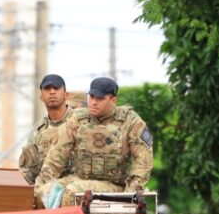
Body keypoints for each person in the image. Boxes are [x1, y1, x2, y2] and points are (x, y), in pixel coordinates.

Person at [36, 77, 153, 207]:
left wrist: (131, 196)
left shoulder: (130, 121)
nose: (94, 102)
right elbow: (56, 157)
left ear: (113, 100)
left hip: (114, 186)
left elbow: (143, 161)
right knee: (40, 193)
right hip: (80, 179)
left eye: (100, 98)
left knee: (72, 192)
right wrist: (41, 185)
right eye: (91, 97)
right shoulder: (78, 120)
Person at [19, 74, 74, 188]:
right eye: (47, 89)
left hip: (73, 187)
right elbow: (28, 170)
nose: (52, 92)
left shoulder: (79, 123)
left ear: (66, 95)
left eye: (56, 88)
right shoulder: (38, 131)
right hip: (45, 189)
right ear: (41, 97)